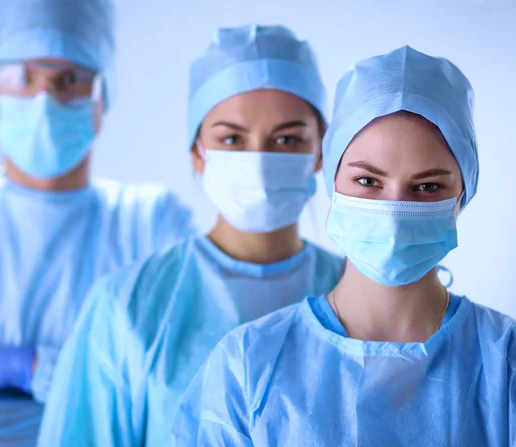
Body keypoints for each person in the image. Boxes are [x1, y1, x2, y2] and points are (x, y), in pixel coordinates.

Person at [172, 46, 516, 446]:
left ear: (462, 195)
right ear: (332, 181)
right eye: (368, 182)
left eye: (427, 187)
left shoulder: (504, 364)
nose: (392, 210)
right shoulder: (247, 366)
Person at [37, 24, 344, 447]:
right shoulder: (129, 306)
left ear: (321, 153)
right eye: (232, 139)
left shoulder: (360, 297)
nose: (258, 160)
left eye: (287, 138)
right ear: (196, 152)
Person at [0, 0, 193, 445]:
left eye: (69, 81)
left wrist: (7, 370)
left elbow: (182, 405)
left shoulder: (151, 223)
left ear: (103, 98)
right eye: (23, 78)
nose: (44, 101)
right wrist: (99, 416)